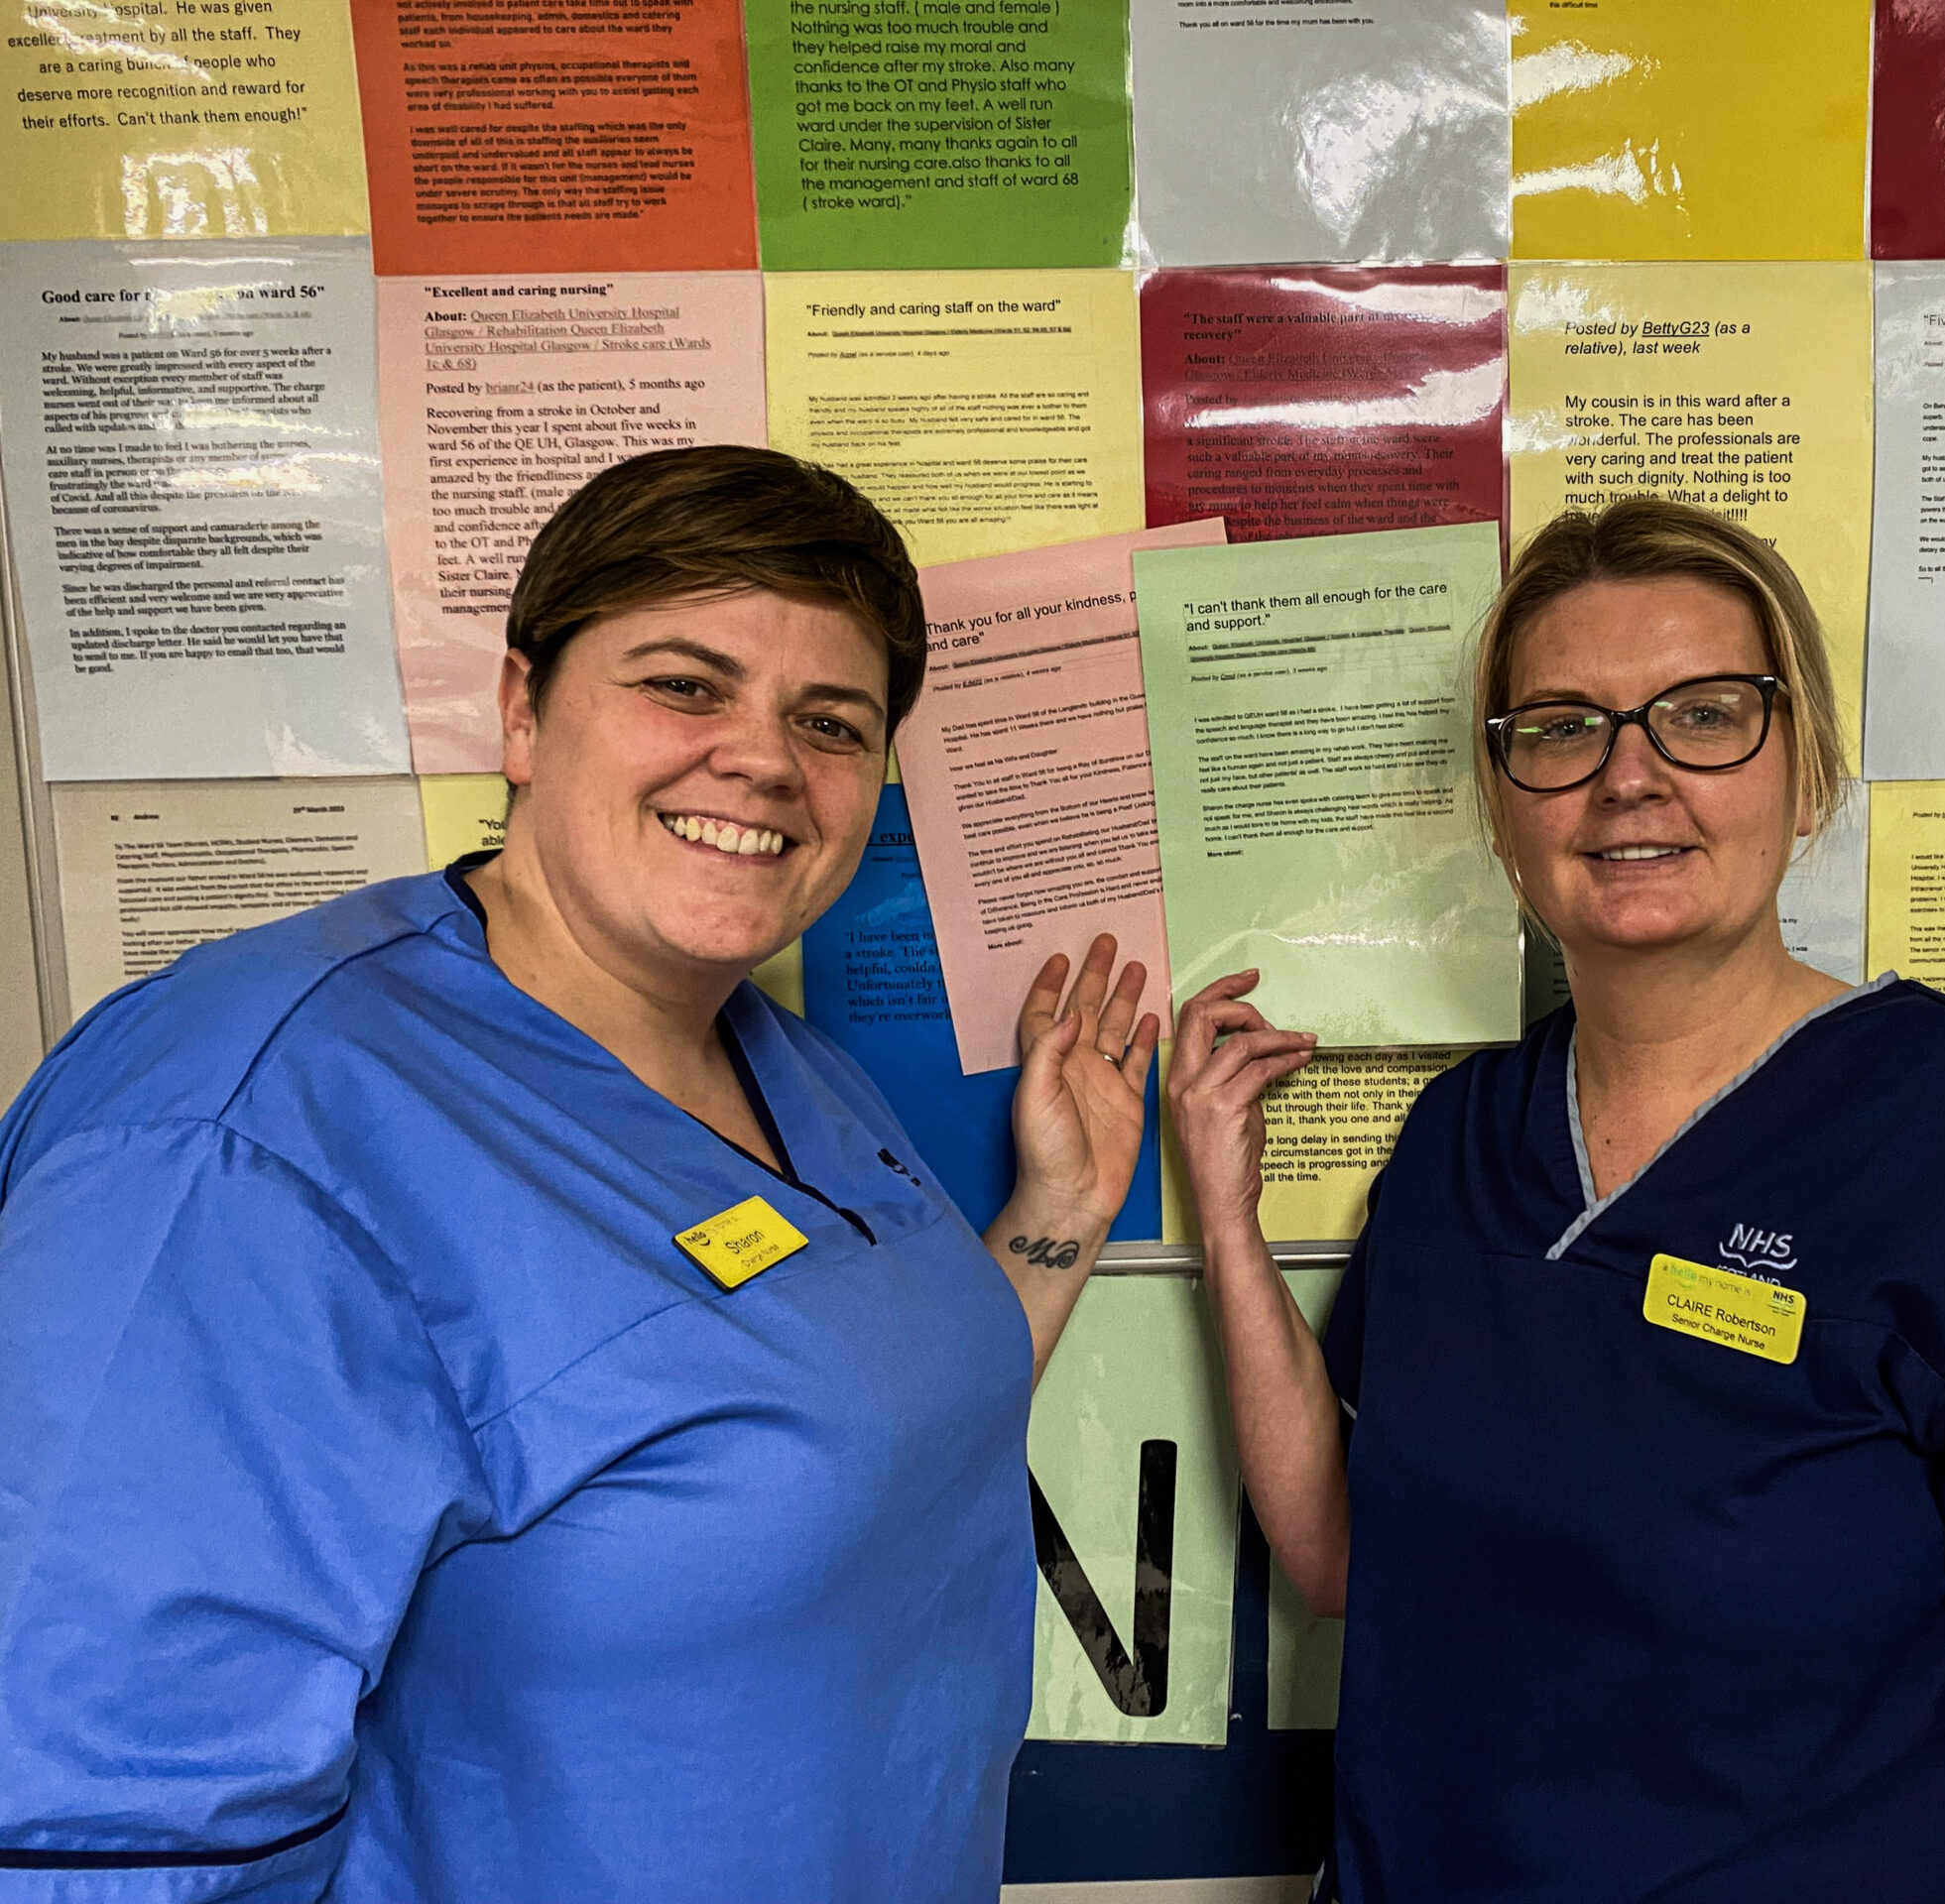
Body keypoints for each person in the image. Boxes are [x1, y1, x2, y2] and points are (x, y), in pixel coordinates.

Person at [0, 446, 1159, 1903]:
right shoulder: (242, 1134)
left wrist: (1056, 1217)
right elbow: (91, 1833)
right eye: (684, 684)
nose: (763, 758)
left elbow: (853, 1427)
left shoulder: (783, 1063)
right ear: (522, 712)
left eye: (833, 721)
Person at [1169, 497, 1945, 1904]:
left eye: (1704, 714)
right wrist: (1229, 1228)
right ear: (1506, 809)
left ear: (1804, 772)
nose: (1629, 777)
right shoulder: (1465, 1143)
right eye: (1562, 729)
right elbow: (1343, 1560)